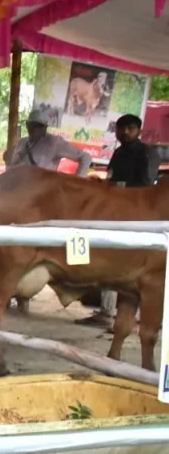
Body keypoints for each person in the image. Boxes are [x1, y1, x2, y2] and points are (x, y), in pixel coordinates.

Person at [77, 113, 158, 327]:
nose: (125, 132)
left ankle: (139, 315)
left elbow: (146, 185)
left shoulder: (147, 153)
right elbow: (112, 179)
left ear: (139, 130)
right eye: (121, 128)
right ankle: (106, 311)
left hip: (138, 215)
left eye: (130, 128)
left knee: (137, 265)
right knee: (109, 257)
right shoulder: (119, 152)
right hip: (115, 212)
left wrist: (122, 189)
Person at [8, 108, 92, 175]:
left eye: (40, 126)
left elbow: (86, 157)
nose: (36, 129)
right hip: (21, 190)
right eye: (33, 125)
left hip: (43, 191)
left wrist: (76, 181)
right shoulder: (21, 143)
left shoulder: (54, 142)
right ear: (27, 125)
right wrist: (8, 162)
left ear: (45, 128)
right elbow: (11, 170)